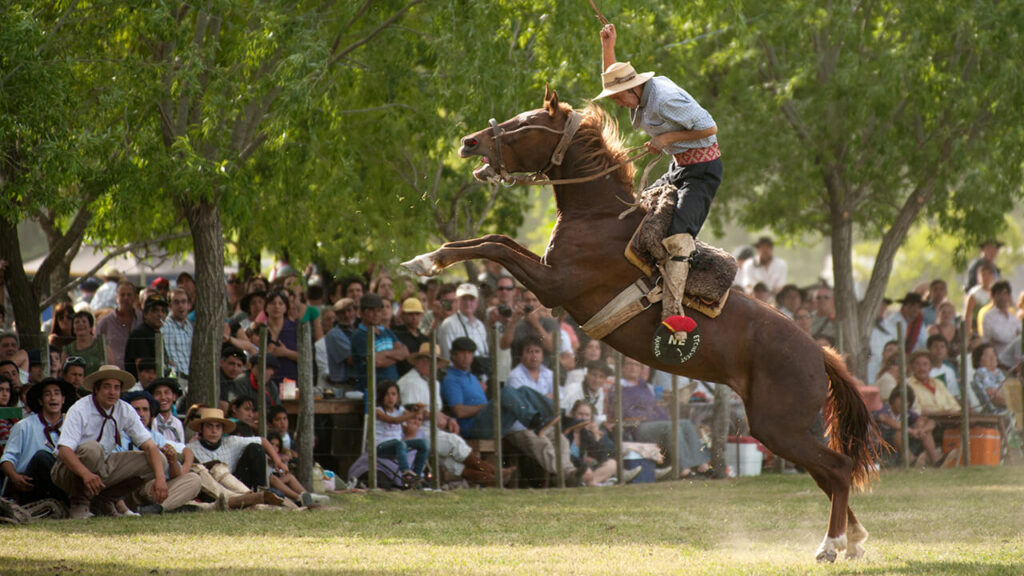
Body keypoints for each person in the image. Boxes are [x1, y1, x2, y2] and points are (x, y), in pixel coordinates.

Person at [596, 23, 720, 346]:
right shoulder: (638, 92)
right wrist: (608, 47)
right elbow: (616, 80)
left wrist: (667, 138)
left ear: (633, 90)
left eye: (618, 98)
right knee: (637, 214)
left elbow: (709, 128)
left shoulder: (664, 99)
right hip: (679, 167)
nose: (617, 104)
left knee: (677, 240)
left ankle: (674, 319)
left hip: (702, 172)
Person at [441, 337, 571, 480]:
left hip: (490, 422)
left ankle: (552, 418)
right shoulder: (452, 379)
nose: (467, 357)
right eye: (462, 353)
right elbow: (459, 411)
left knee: (523, 391)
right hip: (474, 428)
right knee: (506, 392)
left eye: (470, 353)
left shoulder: (471, 377)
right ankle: (536, 421)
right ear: (453, 355)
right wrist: (486, 406)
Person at [50, 365, 167, 519]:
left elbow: (150, 446)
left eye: (116, 387)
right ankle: (79, 502)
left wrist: (160, 478)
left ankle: (104, 500)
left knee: (160, 461)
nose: (112, 392)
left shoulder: (124, 409)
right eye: (107, 387)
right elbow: (64, 450)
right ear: (96, 389)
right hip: (68, 470)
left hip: (102, 464)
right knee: (92, 449)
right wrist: (86, 474)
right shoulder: (80, 409)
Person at [119, 390, 201, 514]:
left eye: (145, 410)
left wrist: (172, 460)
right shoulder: (120, 435)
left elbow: (177, 475)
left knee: (194, 479)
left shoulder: (156, 437)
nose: (141, 414)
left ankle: (156, 509)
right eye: (136, 410)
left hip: (160, 486)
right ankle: (168, 506)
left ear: (151, 413)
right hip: (133, 487)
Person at [1, 377, 74, 504]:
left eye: (57, 393)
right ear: (40, 401)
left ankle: (72, 503)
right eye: (47, 394)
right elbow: (7, 458)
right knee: (41, 457)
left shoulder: (71, 427)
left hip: (63, 481)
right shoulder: (24, 426)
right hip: (31, 483)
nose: (53, 398)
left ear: (63, 399)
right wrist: (14, 477)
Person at [185, 407, 287, 491]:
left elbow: (262, 441)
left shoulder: (231, 441)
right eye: (209, 426)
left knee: (255, 448)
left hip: (236, 485)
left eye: (218, 427)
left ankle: (260, 491)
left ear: (222, 430)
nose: (214, 431)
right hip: (209, 490)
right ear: (201, 429)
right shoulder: (191, 448)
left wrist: (278, 461)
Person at [374, 380, 429, 487]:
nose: (390, 398)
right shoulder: (377, 410)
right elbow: (394, 420)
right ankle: (406, 473)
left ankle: (416, 476)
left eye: (393, 394)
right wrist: (413, 413)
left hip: (398, 447)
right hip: (380, 447)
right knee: (400, 443)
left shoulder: (400, 410)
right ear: (381, 396)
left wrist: (417, 410)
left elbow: (413, 416)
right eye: (386, 394)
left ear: (398, 396)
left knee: (423, 443)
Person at [873, 386, 945, 467]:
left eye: (907, 402)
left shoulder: (906, 412)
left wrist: (922, 430)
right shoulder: (885, 409)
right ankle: (912, 461)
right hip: (885, 441)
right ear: (893, 399)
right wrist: (911, 431)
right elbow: (886, 419)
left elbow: (931, 422)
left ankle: (936, 460)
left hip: (906, 440)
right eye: (901, 400)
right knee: (899, 434)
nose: (904, 404)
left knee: (923, 428)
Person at [350, 294, 408, 392]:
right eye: (371, 310)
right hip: (371, 390)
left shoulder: (387, 331)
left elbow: (405, 352)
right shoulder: (359, 335)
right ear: (362, 313)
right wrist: (395, 356)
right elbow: (376, 361)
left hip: (392, 389)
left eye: (379, 310)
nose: (376, 314)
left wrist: (385, 354)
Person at [93, 280, 142, 370]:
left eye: (129, 295)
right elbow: (97, 348)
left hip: (139, 372)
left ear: (135, 297)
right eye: (122, 295)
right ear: (116, 297)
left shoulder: (142, 320)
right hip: (114, 373)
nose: (126, 298)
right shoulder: (105, 322)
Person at [437, 283, 489, 363]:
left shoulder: (480, 325)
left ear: (477, 302)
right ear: (457, 301)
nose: (468, 303)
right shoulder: (449, 324)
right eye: (464, 299)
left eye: (471, 299)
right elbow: (448, 358)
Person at [123, 294, 169, 379]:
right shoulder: (140, 334)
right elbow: (141, 367)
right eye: (155, 311)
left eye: (163, 311)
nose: (160, 314)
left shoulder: (156, 333)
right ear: (145, 314)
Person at [906, 350, 960, 416]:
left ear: (930, 367)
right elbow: (915, 411)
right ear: (912, 367)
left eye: (925, 364)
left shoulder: (938, 383)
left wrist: (950, 412)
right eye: (918, 364)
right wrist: (941, 413)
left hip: (949, 420)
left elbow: (955, 406)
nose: (922, 368)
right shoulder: (907, 385)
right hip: (924, 423)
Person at [264, 288, 299, 383]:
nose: (276, 307)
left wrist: (286, 352)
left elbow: (306, 357)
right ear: (266, 307)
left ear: (285, 308)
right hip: (267, 383)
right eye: (272, 303)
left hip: (292, 381)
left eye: (280, 303)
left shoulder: (296, 328)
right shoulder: (260, 329)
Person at [980, 281, 1020, 357]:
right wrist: (1015, 337)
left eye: (1005, 293)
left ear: (1009, 296)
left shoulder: (1013, 317)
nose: (1002, 297)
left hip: (1013, 358)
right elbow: (1000, 336)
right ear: (993, 296)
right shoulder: (989, 316)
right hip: (996, 358)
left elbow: (1020, 335)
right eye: (999, 294)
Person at [161, 288, 193, 380]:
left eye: (183, 302)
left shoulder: (190, 327)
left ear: (189, 305)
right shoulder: (164, 327)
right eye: (176, 302)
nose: (180, 306)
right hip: (174, 377)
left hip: (191, 378)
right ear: (170, 306)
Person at [324, 298, 353, 388]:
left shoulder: (356, 330)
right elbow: (351, 360)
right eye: (342, 313)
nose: (347, 315)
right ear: (336, 315)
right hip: (344, 385)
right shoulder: (334, 334)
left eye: (349, 311)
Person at [147, 377, 185, 444]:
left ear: (174, 397)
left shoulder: (177, 424)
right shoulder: (150, 421)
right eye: (158, 393)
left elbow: (181, 448)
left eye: (167, 393)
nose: (163, 397)